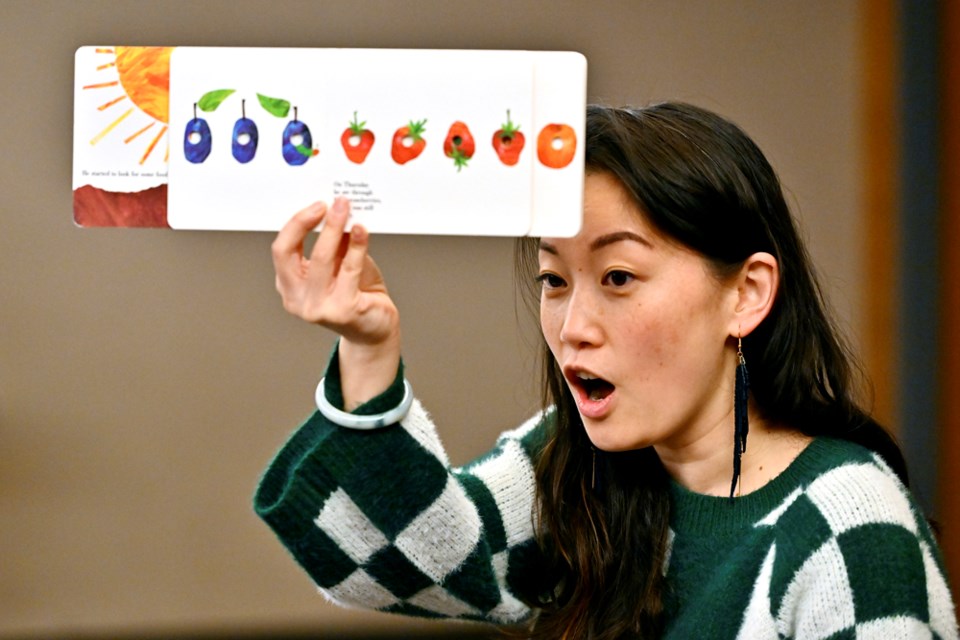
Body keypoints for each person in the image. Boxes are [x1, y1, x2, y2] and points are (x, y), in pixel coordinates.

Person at [254, 102, 958, 639]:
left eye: (618, 276)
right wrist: (368, 347)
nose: (574, 327)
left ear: (746, 294)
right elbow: (402, 563)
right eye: (554, 280)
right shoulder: (570, 463)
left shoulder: (847, 521)